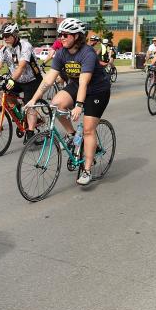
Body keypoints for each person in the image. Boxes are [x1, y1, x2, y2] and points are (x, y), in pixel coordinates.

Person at [25, 18, 110, 186]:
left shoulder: (88, 53)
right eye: (59, 35)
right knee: (56, 104)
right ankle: (71, 135)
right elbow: (49, 79)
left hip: (97, 90)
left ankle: (86, 170)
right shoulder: (62, 53)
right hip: (77, 85)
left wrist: (78, 106)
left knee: (88, 130)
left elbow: (85, 82)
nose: (61, 38)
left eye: (65, 35)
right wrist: (33, 100)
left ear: (77, 36)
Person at [0, 23, 42, 141]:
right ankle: (20, 113)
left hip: (32, 80)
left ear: (15, 35)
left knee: (29, 105)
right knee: (3, 93)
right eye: (3, 36)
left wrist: (11, 80)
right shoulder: (4, 49)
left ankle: (30, 132)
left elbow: (21, 67)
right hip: (17, 79)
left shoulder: (25, 46)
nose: (5, 38)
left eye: (7, 35)